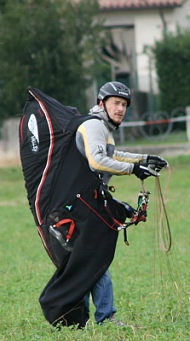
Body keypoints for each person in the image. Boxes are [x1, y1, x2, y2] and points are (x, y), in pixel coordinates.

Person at [75, 81, 167, 325]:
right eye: (116, 103)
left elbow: (114, 155)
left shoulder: (102, 128)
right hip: (80, 206)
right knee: (91, 261)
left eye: (124, 105)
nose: (120, 109)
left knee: (87, 261)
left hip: (88, 202)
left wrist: (144, 159)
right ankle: (97, 318)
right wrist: (133, 169)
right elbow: (97, 161)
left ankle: (80, 319)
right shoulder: (94, 126)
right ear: (101, 103)